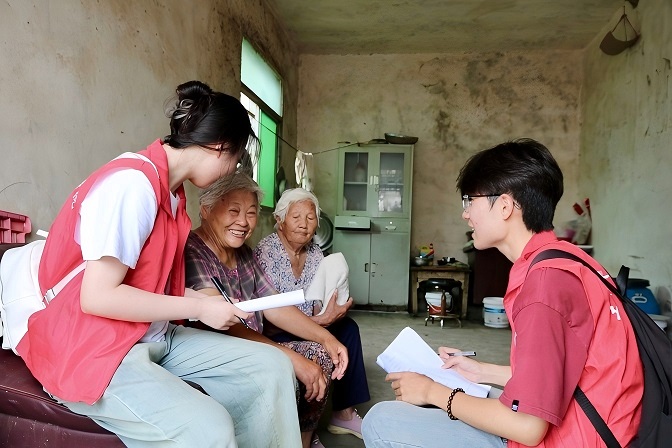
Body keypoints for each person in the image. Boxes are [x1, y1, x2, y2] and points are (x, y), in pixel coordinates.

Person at [17, 81, 302, 447]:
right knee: (209, 428)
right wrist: (199, 307)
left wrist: (205, 301)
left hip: (150, 335)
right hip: (93, 346)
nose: (232, 169)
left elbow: (145, 285)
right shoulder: (132, 186)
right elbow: (98, 297)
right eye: (236, 159)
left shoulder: (171, 194)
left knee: (272, 367)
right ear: (220, 147)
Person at [362, 138, 644, 448]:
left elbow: (527, 427)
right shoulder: (567, 259)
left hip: (573, 439)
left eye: (470, 200)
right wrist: (481, 371)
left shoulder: (544, 286)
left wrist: (433, 392)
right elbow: (555, 373)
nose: (465, 214)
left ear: (505, 206)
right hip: (595, 425)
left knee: (382, 421)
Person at [183, 174, 349, 448]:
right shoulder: (194, 252)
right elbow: (225, 326)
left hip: (256, 346)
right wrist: (290, 358)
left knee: (321, 353)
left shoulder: (243, 253)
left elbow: (274, 304)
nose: (243, 222)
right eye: (233, 211)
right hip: (221, 351)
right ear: (206, 210)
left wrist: (325, 337)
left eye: (250, 213)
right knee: (293, 365)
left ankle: (302, 440)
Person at [254, 188, 371, 439]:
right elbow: (267, 316)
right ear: (280, 220)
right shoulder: (267, 252)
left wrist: (331, 313)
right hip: (275, 329)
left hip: (310, 322)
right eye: (296, 217)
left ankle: (344, 413)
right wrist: (320, 322)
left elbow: (318, 300)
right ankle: (306, 428)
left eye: (310, 218)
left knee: (348, 329)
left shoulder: (316, 253)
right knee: (317, 346)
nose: (304, 224)